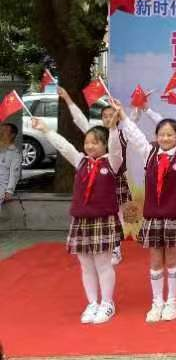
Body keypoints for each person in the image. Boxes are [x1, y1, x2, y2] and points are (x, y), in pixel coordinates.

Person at [116, 97, 176, 322]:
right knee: (155, 261)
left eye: (170, 134)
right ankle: (157, 302)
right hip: (153, 219)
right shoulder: (149, 153)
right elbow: (134, 135)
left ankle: (172, 301)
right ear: (156, 136)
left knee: (172, 259)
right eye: (162, 134)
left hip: (174, 218)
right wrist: (122, 115)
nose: (165, 138)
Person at [30, 117, 122, 324]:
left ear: (104, 144)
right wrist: (45, 130)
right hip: (81, 220)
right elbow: (64, 146)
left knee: (103, 264)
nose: (89, 146)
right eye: (87, 142)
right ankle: (92, 303)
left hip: (102, 220)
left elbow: (116, 148)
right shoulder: (81, 161)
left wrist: (114, 129)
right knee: (86, 265)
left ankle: (107, 303)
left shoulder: (112, 162)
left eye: (95, 142)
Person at [59, 87, 131, 265]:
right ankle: (97, 244)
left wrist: (133, 109)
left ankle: (115, 248)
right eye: (105, 116)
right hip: (98, 179)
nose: (108, 118)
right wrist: (68, 99)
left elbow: (133, 121)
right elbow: (80, 120)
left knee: (117, 213)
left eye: (111, 115)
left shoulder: (123, 133)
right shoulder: (96, 133)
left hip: (115, 177)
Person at [0, 123, 22, 207]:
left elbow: (14, 173)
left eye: (5, 130)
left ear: (12, 135)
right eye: (1, 129)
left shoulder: (14, 153)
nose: (1, 132)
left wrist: (9, 191)